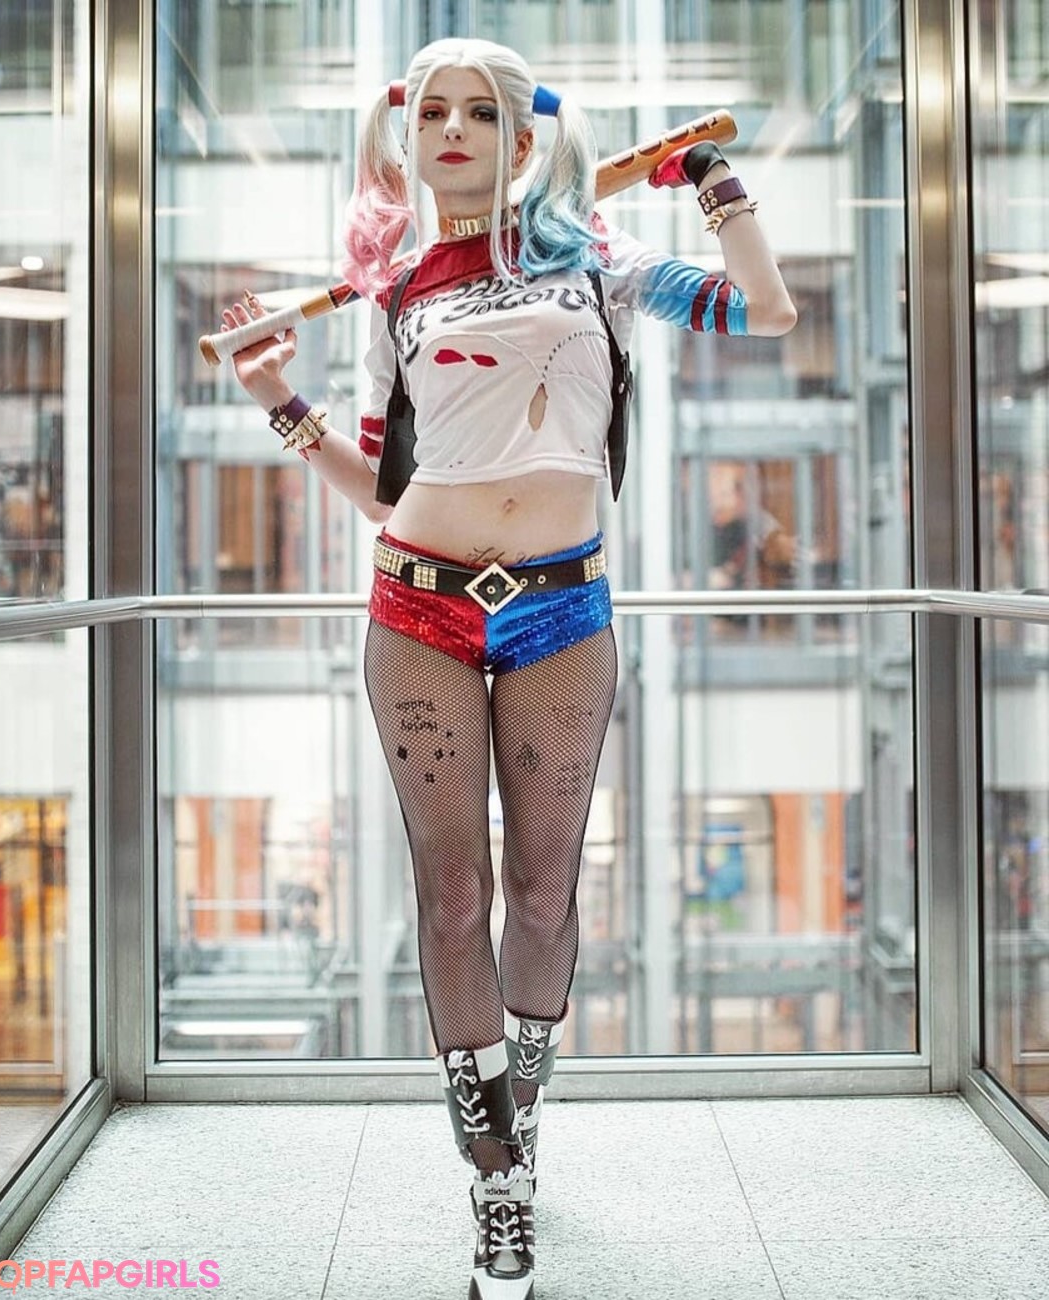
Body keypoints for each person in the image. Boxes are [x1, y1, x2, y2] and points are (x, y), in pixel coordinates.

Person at [220, 36, 795, 1300]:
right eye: (432, 112)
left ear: (524, 140)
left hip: (560, 611)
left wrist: (710, 181)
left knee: (542, 893)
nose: (454, 130)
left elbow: (765, 309)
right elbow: (388, 491)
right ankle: (494, 1182)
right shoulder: (395, 295)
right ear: (408, 140)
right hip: (418, 607)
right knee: (450, 895)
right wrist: (278, 400)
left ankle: (518, 1115)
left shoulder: (595, 261)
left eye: (481, 112)